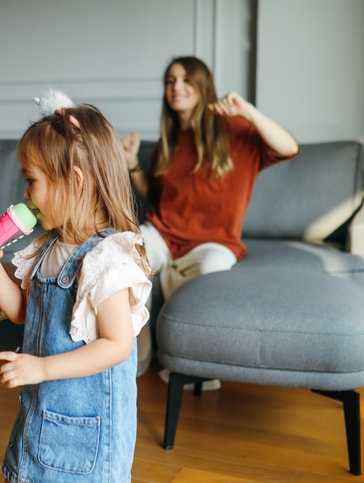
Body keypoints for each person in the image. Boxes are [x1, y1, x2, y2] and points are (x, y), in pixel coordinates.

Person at [0, 92, 152, 482]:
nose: (25, 194)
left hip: (86, 435)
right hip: (42, 413)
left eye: (31, 180)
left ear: (75, 181)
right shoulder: (50, 244)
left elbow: (117, 345)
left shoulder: (106, 259)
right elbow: (24, 312)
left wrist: (43, 367)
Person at [122, 55, 299, 387]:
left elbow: (289, 147)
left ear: (203, 86)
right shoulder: (169, 141)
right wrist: (132, 163)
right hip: (165, 232)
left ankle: (197, 367)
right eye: (171, 81)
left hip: (215, 242)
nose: (177, 88)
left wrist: (246, 110)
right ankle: (135, 356)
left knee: (211, 275)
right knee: (125, 254)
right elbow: (158, 196)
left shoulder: (235, 130)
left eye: (186, 80)